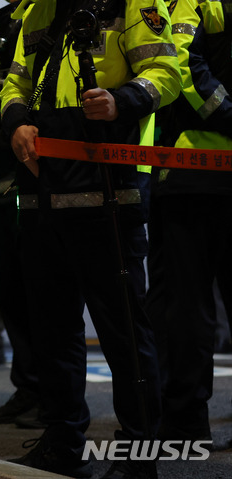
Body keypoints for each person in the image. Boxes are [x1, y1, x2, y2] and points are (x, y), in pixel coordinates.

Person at [0, 0, 180, 477]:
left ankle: (138, 455)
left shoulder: (131, 3)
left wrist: (124, 100)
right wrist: (15, 122)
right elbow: (14, 83)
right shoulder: (37, 11)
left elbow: (166, 70)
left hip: (110, 188)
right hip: (42, 192)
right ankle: (62, 444)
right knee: (52, 332)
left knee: (123, 330)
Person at [147, 0, 232, 445]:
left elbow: (181, 65)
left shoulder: (195, 3)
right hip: (198, 172)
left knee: (185, 303)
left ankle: (184, 419)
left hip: (195, 173)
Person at [0, 0, 44, 429]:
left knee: (44, 298)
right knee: (14, 297)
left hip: (40, 179)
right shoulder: (2, 38)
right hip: (1, 183)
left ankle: (51, 395)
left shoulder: (47, 21)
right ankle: (28, 387)